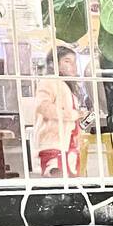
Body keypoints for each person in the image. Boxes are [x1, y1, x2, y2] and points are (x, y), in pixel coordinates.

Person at [34, 46, 85, 177]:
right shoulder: (49, 82)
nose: (73, 66)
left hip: (70, 145)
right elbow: (43, 106)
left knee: (71, 183)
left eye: (74, 62)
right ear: (53, 64)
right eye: (67, 61)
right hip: (54, 145)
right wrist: (71, 115)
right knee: (58, 183)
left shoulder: (67, 86)